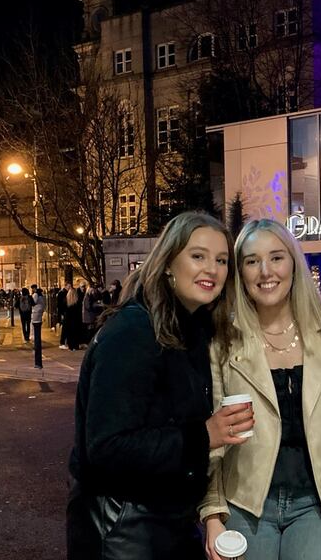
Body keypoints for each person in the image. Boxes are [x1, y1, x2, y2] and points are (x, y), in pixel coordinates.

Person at [67, 212, 253, 560]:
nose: (211, 269)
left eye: (222, 260)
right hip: (123, 526)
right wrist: (204, 435)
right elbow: (107, 446)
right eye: (197, 256)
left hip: (167, 521)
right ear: (168, 262)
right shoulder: (134, 331)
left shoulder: (189, 327)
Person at [200, 219, 321, 560]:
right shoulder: (223, 343)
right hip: (244, 505)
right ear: (240, 272)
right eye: (251, 260)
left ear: (294, 264)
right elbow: (213, 441)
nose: (265, 271)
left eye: (276, 257)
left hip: (316, 504)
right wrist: (213, 516)